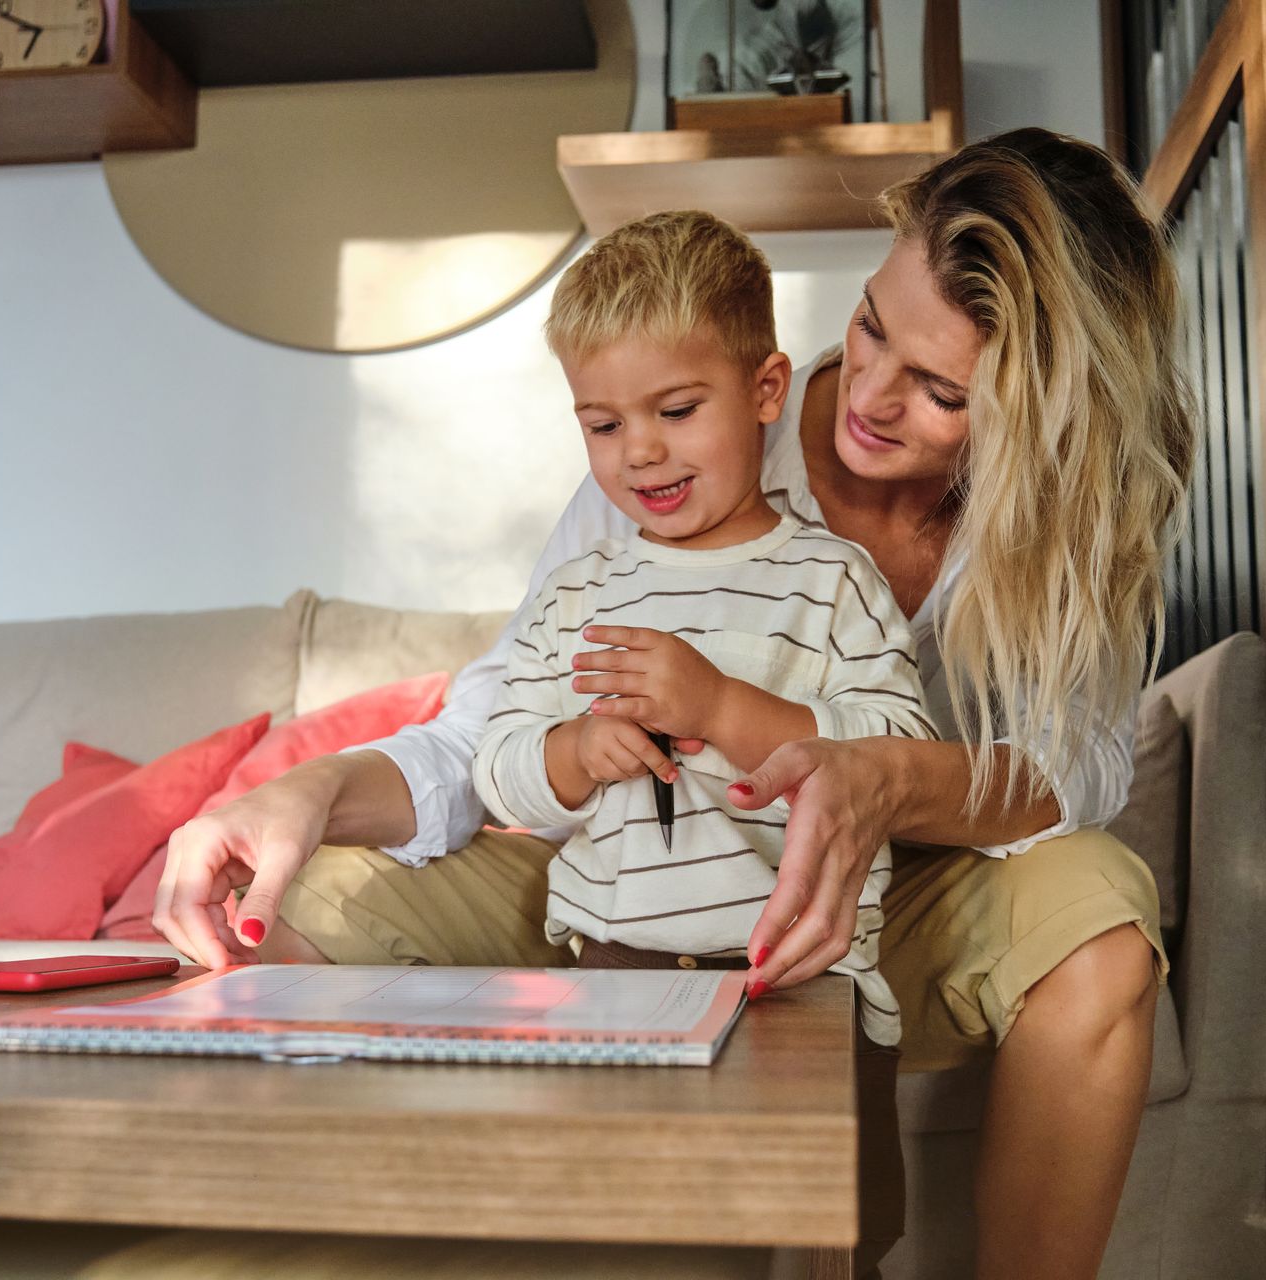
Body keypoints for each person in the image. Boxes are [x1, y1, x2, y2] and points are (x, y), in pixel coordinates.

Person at [157, 127, 1193, 1280]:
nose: (873, 393)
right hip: (627, 896)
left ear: (1046, 413)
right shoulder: (682, 447)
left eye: (943, 389)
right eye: (869, 325)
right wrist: (306, 788)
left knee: (1102, 907)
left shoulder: (1063, 523)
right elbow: (491, 723)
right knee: (326, 887)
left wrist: (881, 779)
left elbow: (1082, 765)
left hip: (867, 907)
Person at [471, 210, 930, 1269]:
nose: (640, 450)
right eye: (601, 423)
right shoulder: (580, 590)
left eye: (676, 408)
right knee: (633, 1242)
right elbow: (501, 759)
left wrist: (724, 707)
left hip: (803, 979)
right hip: (614, 971)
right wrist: (575, 752)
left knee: (818, 1240)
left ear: (766, 392)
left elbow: (893, 745)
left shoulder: (833, 581)